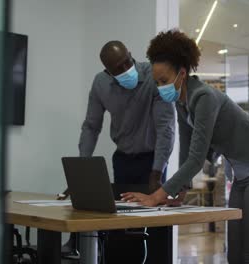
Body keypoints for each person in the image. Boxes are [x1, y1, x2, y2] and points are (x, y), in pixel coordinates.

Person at [121, 30, 249, 264]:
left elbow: (197, 160)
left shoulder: (204, 97)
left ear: (182, 73)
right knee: (234, 255)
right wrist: (180, 193)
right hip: (242, 174)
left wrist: (156, 196)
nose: (160, 87)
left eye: (164, 80)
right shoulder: (181, 103)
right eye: (157, 83)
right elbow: (187, 152)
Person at [61, 41, 176, 262]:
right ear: (108, 71)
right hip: (123, 160)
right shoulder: (101, 83)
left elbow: (166, 129)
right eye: (118, 69)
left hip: (153, 161)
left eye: (127, 63)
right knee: (121, 227)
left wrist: (157, 172)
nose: (125, 70)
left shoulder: (153, 77)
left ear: (131, 55)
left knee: (157, 228)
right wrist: (82, 168)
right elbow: (91, 126)